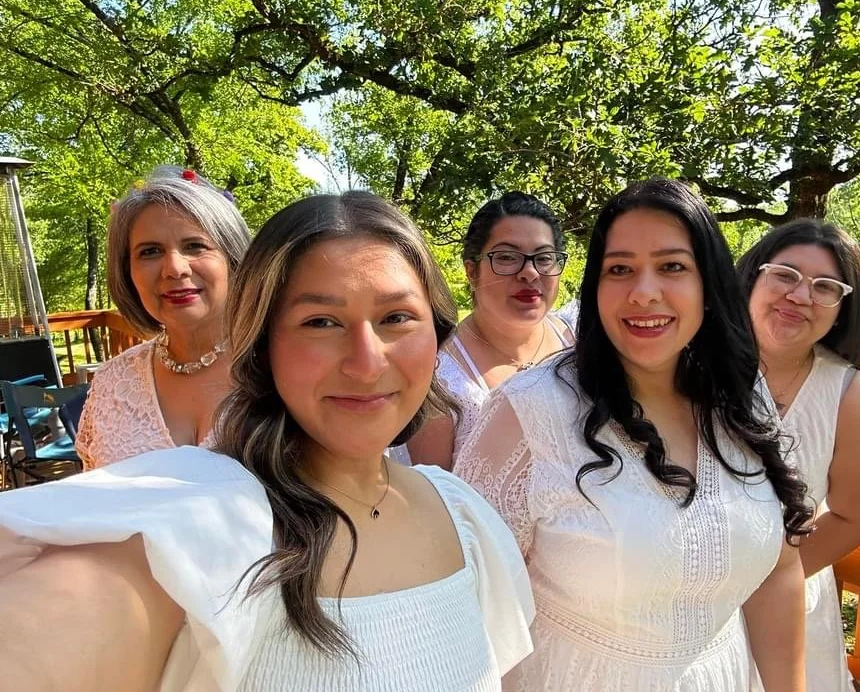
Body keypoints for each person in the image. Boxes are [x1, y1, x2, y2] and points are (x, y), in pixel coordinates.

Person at [0, 192, 534, 691]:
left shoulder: (463, 514)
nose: (367, 362)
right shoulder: (213, 517)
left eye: (396, 317)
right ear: (262, 346)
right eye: (321, 321)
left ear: (435, 336)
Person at [455, 178, 813, 690]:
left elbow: (778, 573)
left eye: (672, 266)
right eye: (620, 268)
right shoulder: (529, 414)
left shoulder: (741, 393)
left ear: (708, 284)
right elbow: (475, 606)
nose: (644, 292)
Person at [738, 219, 860, 692]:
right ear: (752, 278)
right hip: (683, 600)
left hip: (790, 610)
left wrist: (769, 584)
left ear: (842, 308)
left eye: (825, 287)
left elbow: (855, 513)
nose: (800, 296)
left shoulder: (850, 394)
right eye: (784, 275)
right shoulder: (691, 365)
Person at [76, 166, 251, 469]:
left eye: (194, 246)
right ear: (127, 272)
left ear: (233, 259)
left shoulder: (283, 367)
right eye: (150, 251)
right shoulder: (112, 384)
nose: (174, 268)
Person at [406, 192, 574, 469]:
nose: (530, 273)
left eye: (544, 258)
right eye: (507, 257)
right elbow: (436, 497)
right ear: (472, 271)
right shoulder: (439, 379)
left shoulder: (578, 336)